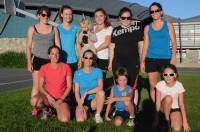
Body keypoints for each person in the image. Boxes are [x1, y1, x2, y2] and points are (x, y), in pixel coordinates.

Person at [26, 6, 60, 116]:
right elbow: (28, 47)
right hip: (38, 61)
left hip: (51, 62)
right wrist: (29, 62)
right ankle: (35, 107)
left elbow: (58, 45)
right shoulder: (32, 28)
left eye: (48, 15)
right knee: (36, 86)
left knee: (48, 87)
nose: (46, 17)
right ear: (38, 16)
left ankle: (48, 108)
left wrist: (59, 60)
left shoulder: (54, 29)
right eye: (43, 15)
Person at [141, 2, 177, 103]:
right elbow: (145, 46)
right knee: (153, 86)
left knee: (166, 85)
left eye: (156, 10)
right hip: (150, 59)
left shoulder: (168, 25)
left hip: (165, 59)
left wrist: (173, 57)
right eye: (152, 11)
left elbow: (174, 42)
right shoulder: (147, 28)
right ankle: (156, 110)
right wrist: (142, 61)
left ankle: (167, 107)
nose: (154, 12)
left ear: (161, 12)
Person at [109, 7, 143, 106]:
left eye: (128, 18)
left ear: (131, 18)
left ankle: (133, 107)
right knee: (119, 85)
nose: (126, 20)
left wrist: (141, 61)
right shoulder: (115, 30)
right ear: (120, 18)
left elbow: (141, 46)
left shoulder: (137, 29)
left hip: (133, 61)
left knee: (132, 85)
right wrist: (110, 62)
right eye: (123, 18)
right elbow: (112, 47)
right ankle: (120, 107)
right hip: (118, 62)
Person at [38, 45, 72, 122]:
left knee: (64, 120)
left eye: (57, 53)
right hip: (48, 98)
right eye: (52, 54)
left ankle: (52, 111)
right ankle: (47, 109)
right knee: (34, 101)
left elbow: (69, 86)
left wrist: (61, 100)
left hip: (62, 98)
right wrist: (49, 97)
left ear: (59, 55)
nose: (55, 56)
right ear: (49, 55)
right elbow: (40, 86)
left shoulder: (66, 67)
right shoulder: (44, 68)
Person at [154, 64, 191, 132]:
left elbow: (181, 104)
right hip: (163, 109)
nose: (168, 77)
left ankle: (169, 120)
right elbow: (158, 103)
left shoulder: (179, 85)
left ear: (175, 75)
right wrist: (156, 119)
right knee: (168, 98)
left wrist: (185, 122)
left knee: (177, 128)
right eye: (165, 75)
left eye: (171, 74)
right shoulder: (160, 84)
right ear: (162, 75)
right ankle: (166, 122)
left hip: (175, 109)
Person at [73, 50, 105, 123]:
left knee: (101, 93)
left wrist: (86, 92)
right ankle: (88, 111)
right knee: (80, 120)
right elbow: (76, 91)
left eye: (91, 58)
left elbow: (100, 87)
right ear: (82, 59)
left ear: (93, 60)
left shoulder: (98, 71)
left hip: (94, 100)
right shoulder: (77, 73)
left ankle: (97, 115)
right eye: (86, 58)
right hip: (81, 100)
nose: (88, 60)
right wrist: (80, 104)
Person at [58, 5, 81, 74]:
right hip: (61, 61)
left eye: (70, 14)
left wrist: (80, 59)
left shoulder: (76, 29)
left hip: (73, 61)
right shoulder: (57, 29)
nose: (68, 16)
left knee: (73, 83)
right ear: (62, 15)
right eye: (66, 14)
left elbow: (78, 45)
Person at [94, 8, 113, 79]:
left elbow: (107, 43)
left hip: (103, 58)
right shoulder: (93, 28)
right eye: (96, 16)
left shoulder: (109, 28)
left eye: (101, 16)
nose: (98, 18)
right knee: (92, 78)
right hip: (92, 57)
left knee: (101, 79)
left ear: (105, 16)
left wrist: (95, 50)